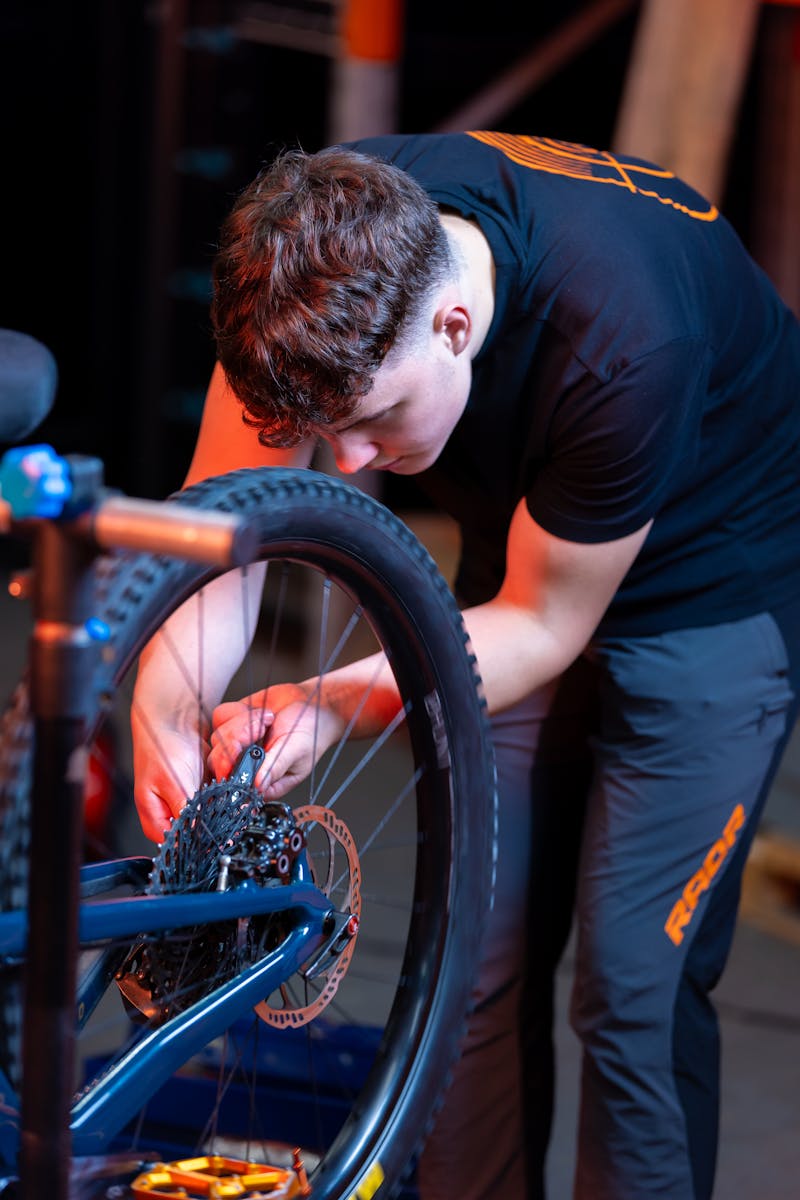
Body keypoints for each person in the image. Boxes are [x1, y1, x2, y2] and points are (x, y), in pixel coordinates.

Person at [131, 132, 800, 1199]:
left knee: (633, 987)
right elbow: (223, 534)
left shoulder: (623, 340)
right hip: (533, 540)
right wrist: (163, 705)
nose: (344, 466)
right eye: (317, 430)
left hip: (711, 583)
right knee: (466, 961)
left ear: (452, 326)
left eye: (370, 425)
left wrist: (327, 699)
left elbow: (538, 626)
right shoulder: (298, 280)